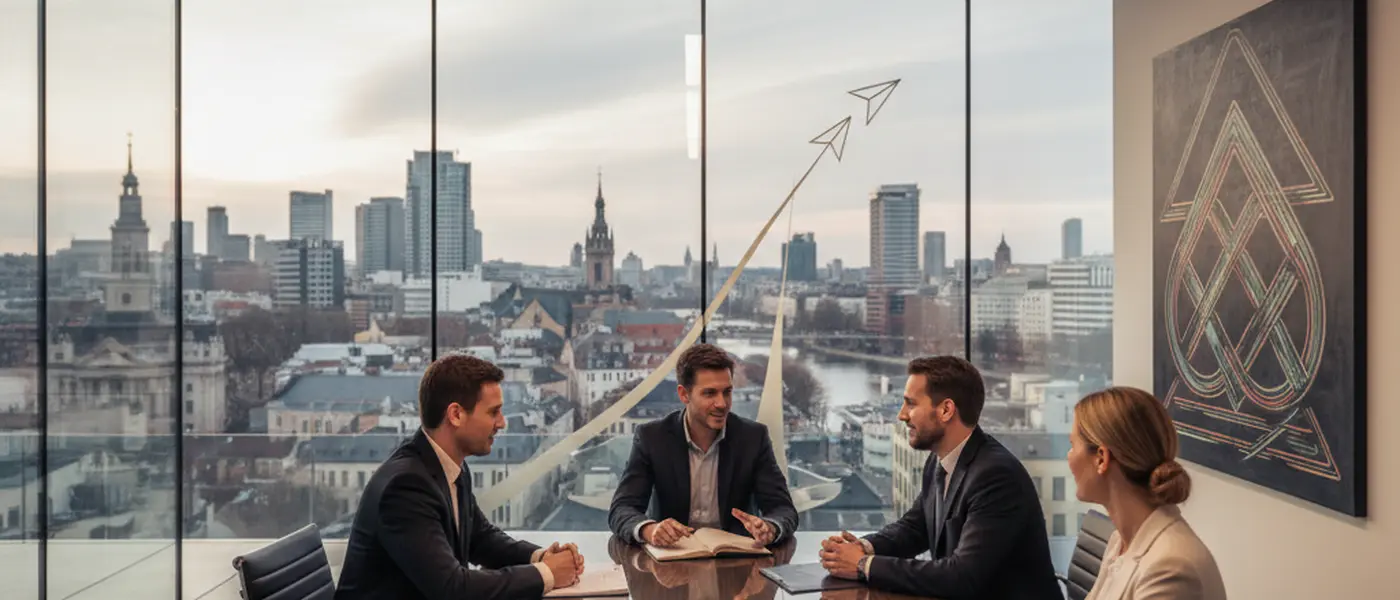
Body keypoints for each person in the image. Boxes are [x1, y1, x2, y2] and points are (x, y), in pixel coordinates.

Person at [335, 354, 584, 600]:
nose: (502, 422)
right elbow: (453, 589)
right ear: (455, 415)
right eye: (493, 412)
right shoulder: (405, 487)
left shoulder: (451, 466)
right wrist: (546, 574)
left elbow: (481, 539)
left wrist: (541, 557)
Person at [818, 355, 1061, 599]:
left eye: (911, 404)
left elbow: (961, 576)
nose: (902, 415)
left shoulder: (996, 476)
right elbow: (915, 528)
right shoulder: (941, 459)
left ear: (946, 410)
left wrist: (863, 565)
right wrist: (863, 548)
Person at [609, 343, 798, 548]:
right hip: (673, 562)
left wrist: (770, 527)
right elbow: (622, 509)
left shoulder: (753, 437)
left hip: (736, 561)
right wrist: (650, 530)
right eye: (710, 393)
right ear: (684, 394)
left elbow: (783, 510)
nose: (722, 403)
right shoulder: (652, 438)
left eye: (727, 392)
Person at [1069, 386, 1226, 600]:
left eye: (1072, 446)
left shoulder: (1169, 568)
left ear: (1101, 458)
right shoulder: (1121, 542)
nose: (1069, 457)